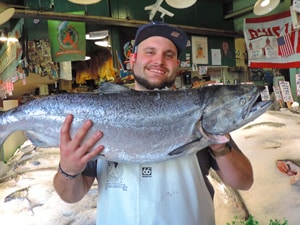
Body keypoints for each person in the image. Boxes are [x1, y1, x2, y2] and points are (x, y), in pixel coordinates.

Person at [53, 21, 253, 225]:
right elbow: (71, 196)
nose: (159, 60)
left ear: (177, 64)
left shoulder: (198, 111)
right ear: (133, 59)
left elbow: (244, 182)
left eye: (169, 55)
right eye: (150, 52)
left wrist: (220, 147)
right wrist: (67, 170)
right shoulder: (100, 115)